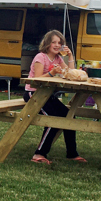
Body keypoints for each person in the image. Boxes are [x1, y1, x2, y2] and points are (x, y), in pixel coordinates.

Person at [24, 30, 86, 165]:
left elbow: (70, 74)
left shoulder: (58, 58)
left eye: (60, 43)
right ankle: (39, 153)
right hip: (33, 94)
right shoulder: (41, 57)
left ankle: (72, 153)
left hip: (48, 95)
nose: (57, 45)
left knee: (70, 116)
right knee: (53, 119)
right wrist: (52, 73)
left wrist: (70, 56)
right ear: (47, 44)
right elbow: (37, 79)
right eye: (54, 42)